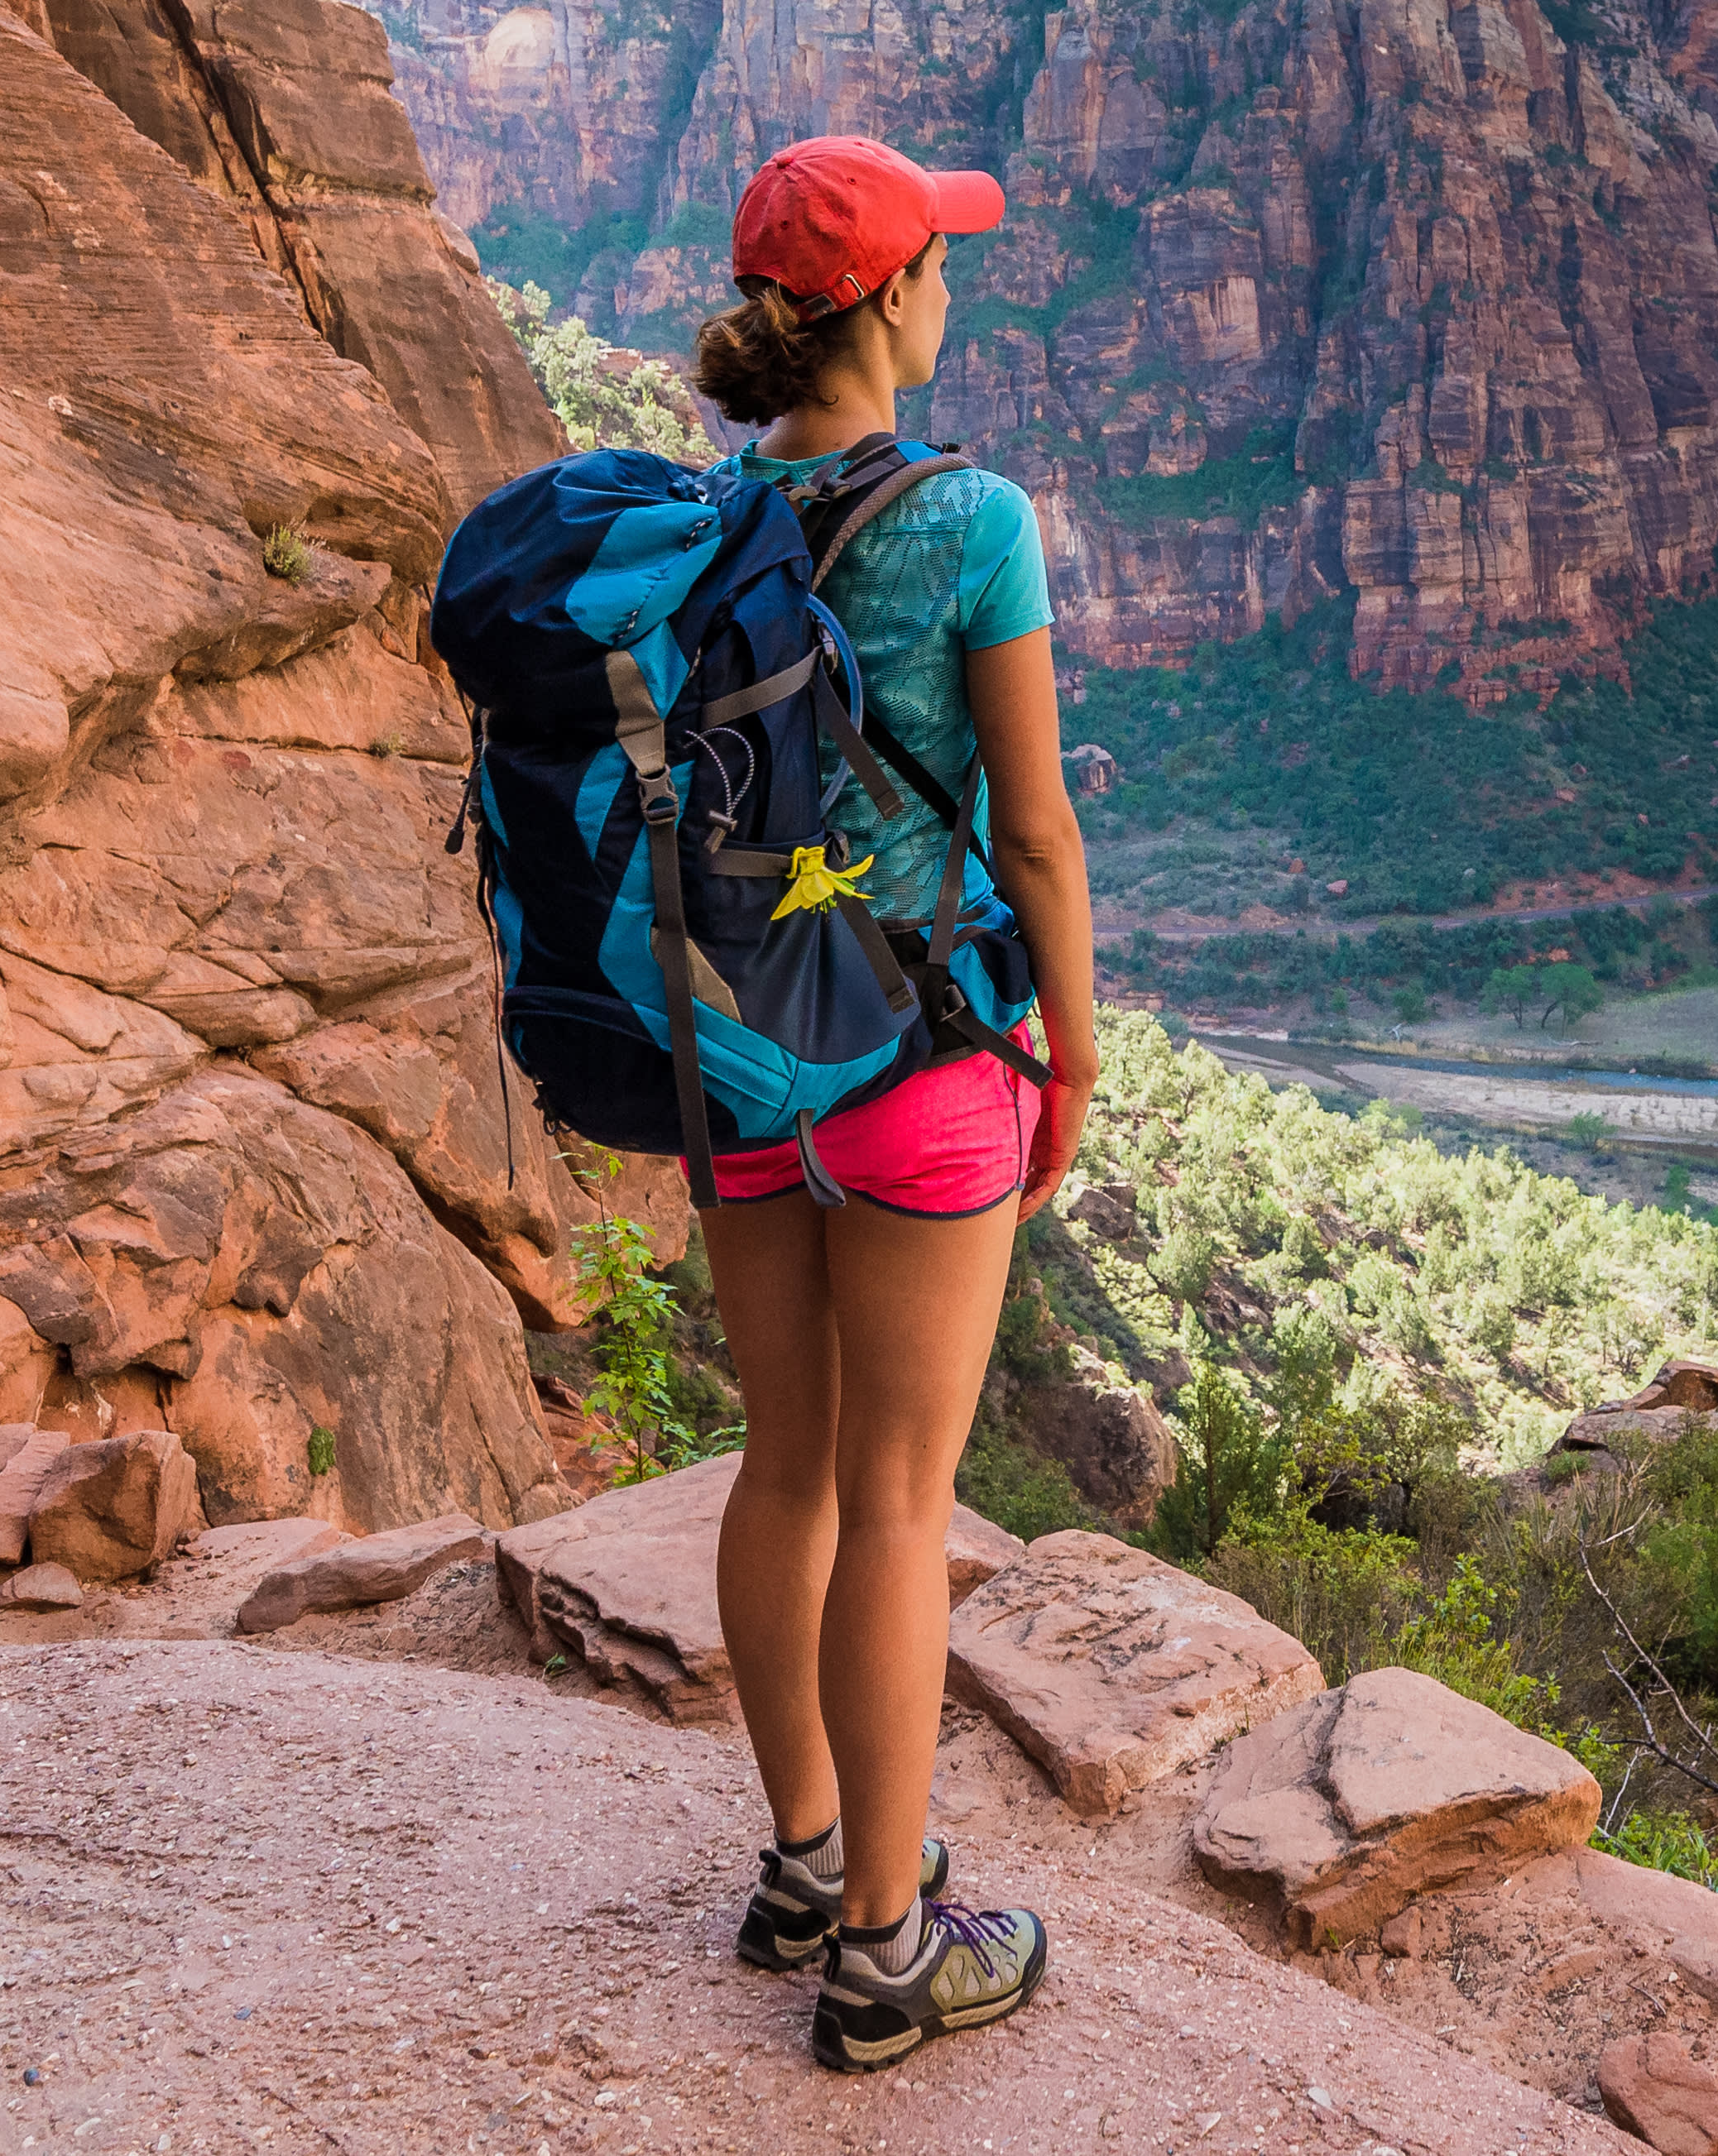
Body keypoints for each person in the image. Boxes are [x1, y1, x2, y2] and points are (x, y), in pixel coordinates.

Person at [679, 134, 1095, 2074]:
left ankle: (797, 1858)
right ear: (894, 299)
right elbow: (1034, 824)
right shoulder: (977, 516)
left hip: (745, 1052)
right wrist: (1072, 1050)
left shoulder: (704, 511)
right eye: (943, 256)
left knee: (789, 1467)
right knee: (906, 1504)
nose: (957, 285)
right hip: (924, 1063)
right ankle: (887, 1946)